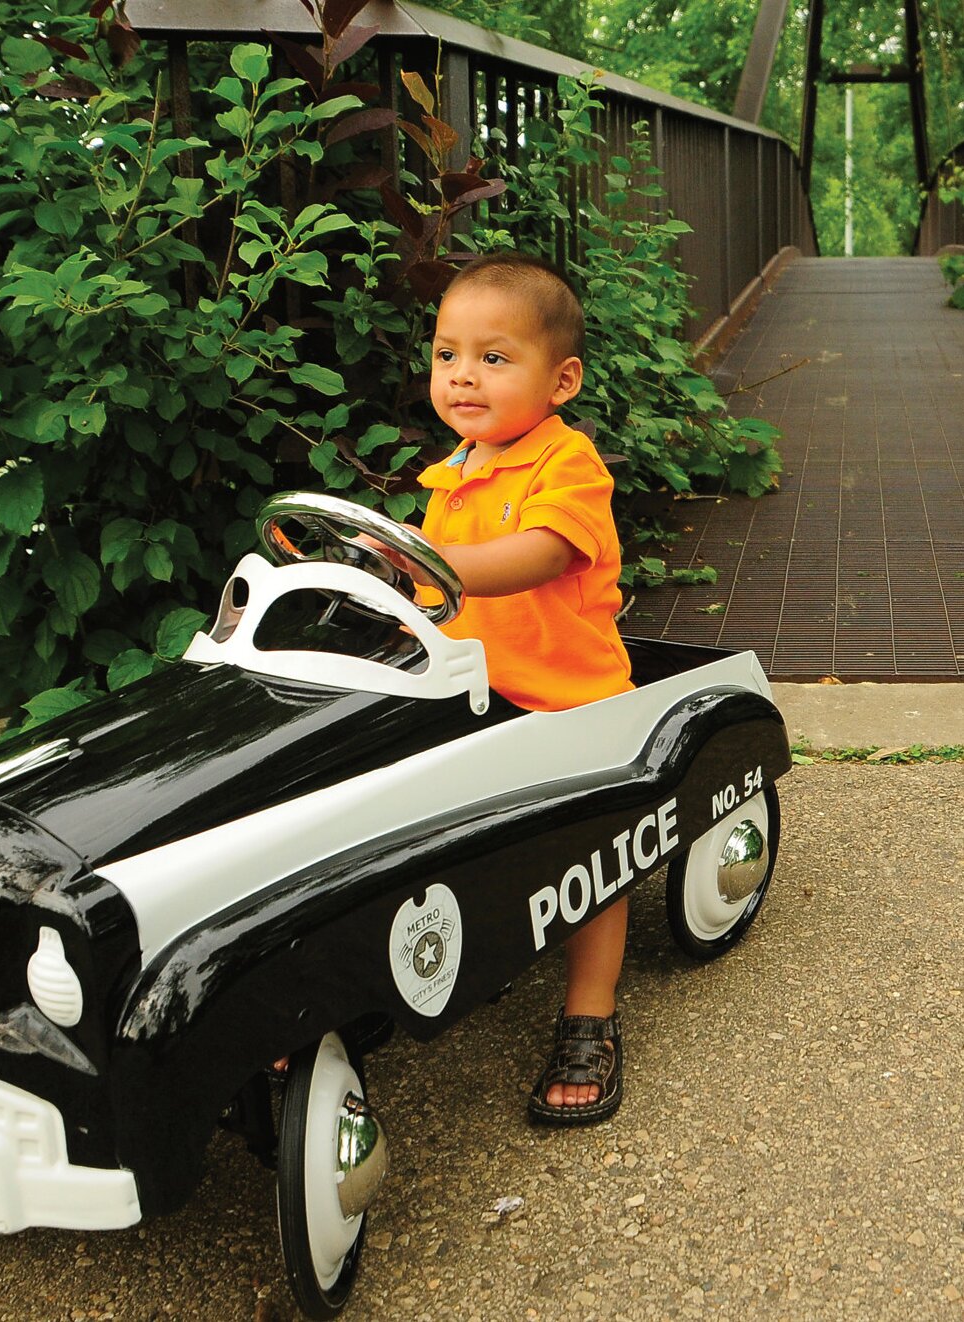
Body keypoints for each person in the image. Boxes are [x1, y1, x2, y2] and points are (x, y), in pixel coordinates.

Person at [396, 250, 634, 1125]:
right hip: (473, 696)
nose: (463, 376)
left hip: (570, 700)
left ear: (560, 379)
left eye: (494, 358)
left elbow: (539, 555)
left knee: (590, 857)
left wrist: (433, 564)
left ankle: (591, 1012)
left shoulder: (566, 465)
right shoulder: (449, 474)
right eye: (447, 354)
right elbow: (435, 597)